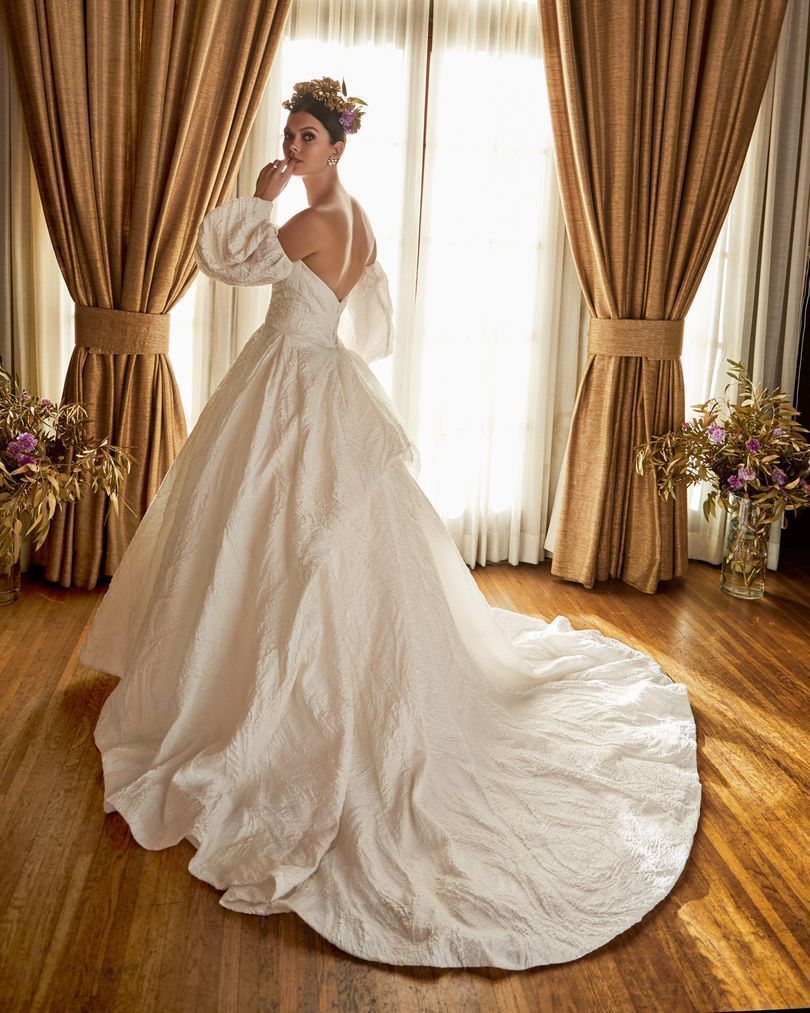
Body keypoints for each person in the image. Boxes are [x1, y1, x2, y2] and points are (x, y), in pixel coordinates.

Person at [79, 77, 702, 970]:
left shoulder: (313, 219)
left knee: (285, 540)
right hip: (309, 377)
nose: (293, 147)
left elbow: (229, 263)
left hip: (292, 385)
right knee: (280, 543)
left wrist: (259, 194)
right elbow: (355, 314)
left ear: (336, 147)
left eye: (306, 137)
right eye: (290, 135)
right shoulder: (357, 216)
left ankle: (269, 693)